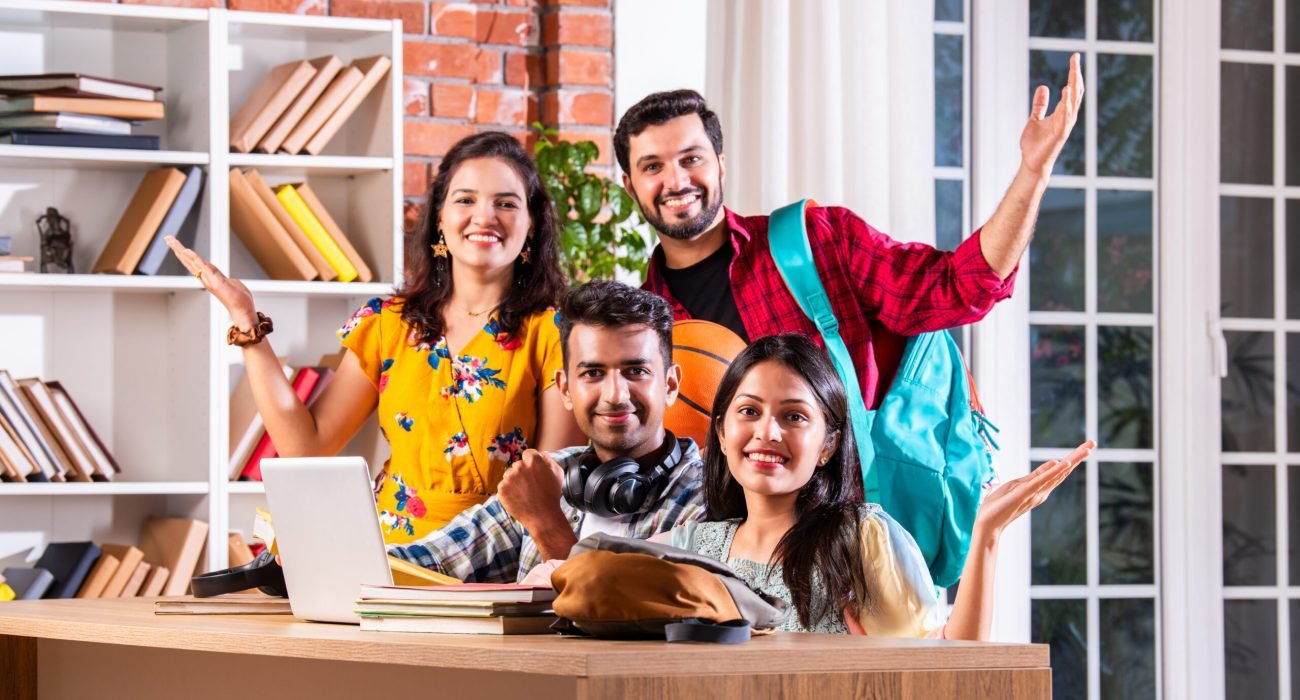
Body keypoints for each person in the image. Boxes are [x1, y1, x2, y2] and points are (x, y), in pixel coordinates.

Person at [168, 131, 584, 542]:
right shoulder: (387, 323)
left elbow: (550, 494)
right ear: (439, 217)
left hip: (498, 556)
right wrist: (246, 321)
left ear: (531, 225)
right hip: (390, 556)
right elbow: (306, 448)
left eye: (506, 203)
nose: (484, 216)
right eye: (465, 199)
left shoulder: (557, 334)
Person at [615, 55, 1085, 408]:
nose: (675, 181)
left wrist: (1032, 174)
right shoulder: (641, 329)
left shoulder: (816, 242)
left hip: (853, 527)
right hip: (729, 537)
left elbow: (959, 286)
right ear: (630, 186)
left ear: (720, 165)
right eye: (652, 166)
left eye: (691, 159)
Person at [661, 334, 1091, 637]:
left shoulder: (860, 537)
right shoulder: (689, 547)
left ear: (828, 444)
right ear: (720, 431)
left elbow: (945, 666)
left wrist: (987, 537)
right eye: (749, 411)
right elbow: (595, 577)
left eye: (794, 416)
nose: (767, 432)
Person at [388, 280, 707, 583]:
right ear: (565, 389)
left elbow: (624, 616)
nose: (615, 395)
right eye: (593, 373)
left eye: (636, 371)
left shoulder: (710, 497)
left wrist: (547, 523)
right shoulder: (549, 475)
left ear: (670, 384)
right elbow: (430, 562)